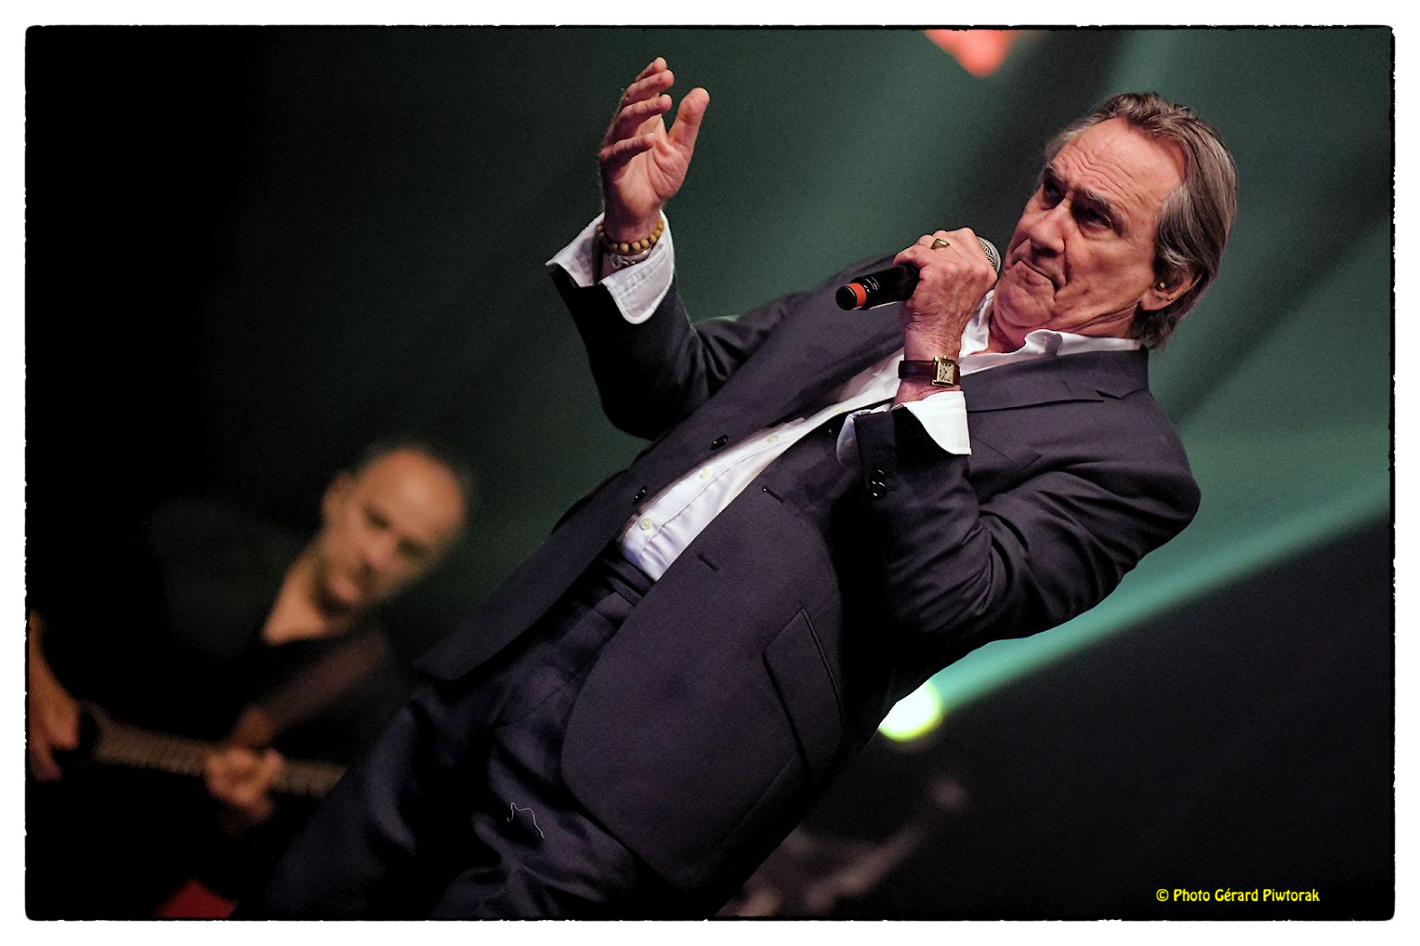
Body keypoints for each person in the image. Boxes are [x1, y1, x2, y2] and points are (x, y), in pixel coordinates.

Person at [249, 59, 1238, 918]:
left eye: (1093, 218)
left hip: (652, 759)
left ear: (1168, 282)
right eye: (1050, 190)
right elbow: (679, 391)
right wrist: (633, 231)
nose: (1043, 228)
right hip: (528, 636)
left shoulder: (1128, 464)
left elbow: (946, 594)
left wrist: (932, 356)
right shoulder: (903, 281)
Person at [26, 442, 470, 918]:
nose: (378, 557)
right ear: (338, 496)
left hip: (106, 884)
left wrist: (244, 821)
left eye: (410, 550)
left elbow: (254, 878)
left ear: (430, 569)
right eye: (375, 521)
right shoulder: (199, 536)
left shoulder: (378, 709)